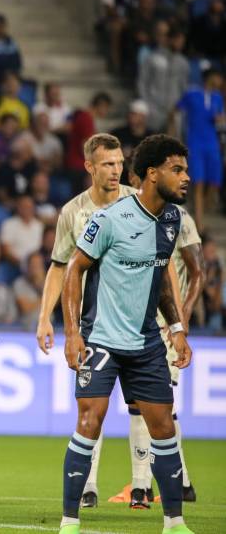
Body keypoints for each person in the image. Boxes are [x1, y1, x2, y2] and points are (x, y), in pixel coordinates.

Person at [58, 134, 193, 534]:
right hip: (100, 339)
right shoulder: (110, 218)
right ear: (152, 174)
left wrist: (178, 327)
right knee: (89, 422)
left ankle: (174, 522)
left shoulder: (172, 220)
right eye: (178, 170)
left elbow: (161, 280)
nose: (187, 178)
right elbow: (73, 269)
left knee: (164, 428)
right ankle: (69, 521)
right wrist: (71, 332)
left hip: (147, 341)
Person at [36, 134, 136, 507]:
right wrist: (45, 318)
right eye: (107, 164)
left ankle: (145, 487)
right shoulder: (73, 212)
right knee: (92, 407)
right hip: (95, 326)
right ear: (89, 167)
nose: (116, 170)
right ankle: (89, 485)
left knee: (148, 409)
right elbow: (59, 268)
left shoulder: (139, 204)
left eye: (119, 162)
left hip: (139, 324)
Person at [100, 163, 204, 507]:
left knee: (157, 406)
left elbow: (195, 272)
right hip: (138, 323)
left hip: (163, 324)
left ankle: (146, 485)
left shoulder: (178, 218)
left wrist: (181, 320)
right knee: (147, 405)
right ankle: (160, 484)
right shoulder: (128, 220)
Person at [175, 69, 225, 229]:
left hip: (212, 144)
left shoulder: (218, 98)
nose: (220, 81)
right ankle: (199, 222)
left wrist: (220, 119)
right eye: (219, 77)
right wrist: (174, 134)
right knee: (198, 183)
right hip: (195, 142)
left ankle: (202, 209)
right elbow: (176, 110)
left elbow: (220, 117)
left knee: (215, 183)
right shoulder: (192, 93)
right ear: (210, 77)